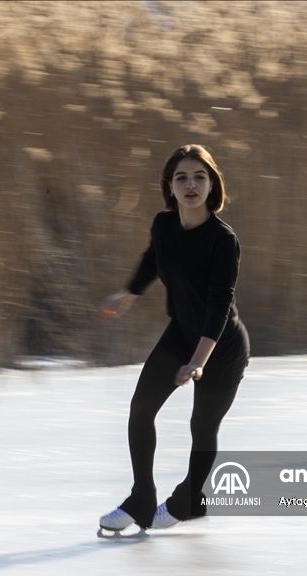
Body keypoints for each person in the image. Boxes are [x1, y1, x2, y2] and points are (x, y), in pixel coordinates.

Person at [98, 144, 250, 533]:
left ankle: (187, 502)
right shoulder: (164, 225)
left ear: (212, 184)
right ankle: (141, 499)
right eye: (181, 177)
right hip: (181, 330)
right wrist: (127, 294)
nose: (191, 184)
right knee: (140, 409)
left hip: (222, 346)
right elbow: (154, 258)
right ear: (169, 185)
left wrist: (198, 361)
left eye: (200, 176)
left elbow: (219, 307)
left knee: (202, 425)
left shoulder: (222, 240)